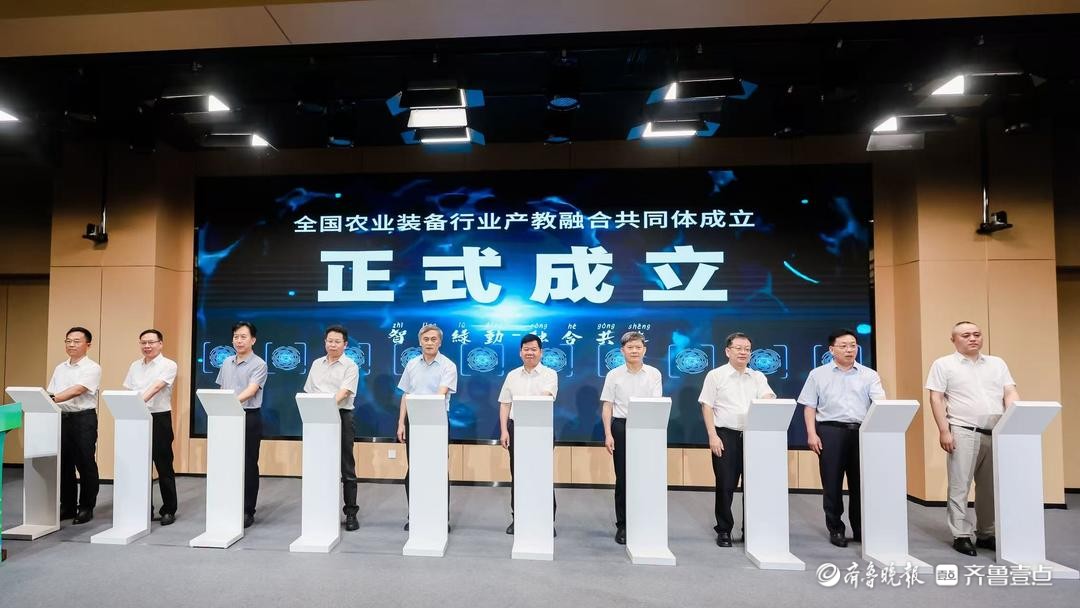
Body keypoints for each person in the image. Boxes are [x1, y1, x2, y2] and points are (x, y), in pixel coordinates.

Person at [926, 321, 1019, 556]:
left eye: (977, 334)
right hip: (963, 430)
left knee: (989, 488)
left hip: (996, 431)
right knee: (960, 485)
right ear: (954, 340)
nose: (973, 338)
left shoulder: (997, 363)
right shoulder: (943, 364)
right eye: (966, 335)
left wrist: (1015, 414)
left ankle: (987, 533)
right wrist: (944, 430)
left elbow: (1009, 391)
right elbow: (936, 398)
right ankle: (961, 535)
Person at [798, 329, 885, 548]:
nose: (849, 350)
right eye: (844, 346)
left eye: (853, 345)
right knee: (832, 483)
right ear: (832, 349)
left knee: (861, 484)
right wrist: (811, 433)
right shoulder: (818, 374)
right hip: (830, 431)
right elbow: (809, 406)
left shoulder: (869, 375)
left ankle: (861, 528)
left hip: (861, 432)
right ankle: (836, 528)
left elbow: (880, 403)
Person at [698, 332, 775, 547]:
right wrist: (712, 435)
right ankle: (724, 530)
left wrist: (767, 399)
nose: (743, 352)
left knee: (754, 485)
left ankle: (751, 530)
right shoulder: (716, 375)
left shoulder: (757, 376)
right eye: (739, 348)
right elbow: (707, 406)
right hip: (725, 435)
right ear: (728, 351)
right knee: (725, 485)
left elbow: (768, 396)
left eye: (747, 349)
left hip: (753, 436)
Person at [600, 331, 663, 545]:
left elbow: (656, 405)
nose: (634, 351)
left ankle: (645, 522)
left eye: (638, 347)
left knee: (646, 476)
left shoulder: (654, 374)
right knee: (623, 478)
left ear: (644, 349)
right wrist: (608, 434)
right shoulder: (614, 375)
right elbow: (607, 406)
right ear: (622, 351)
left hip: (646, 428)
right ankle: (623, 525)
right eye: (630, 347)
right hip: (621, 427)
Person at [396, 324, 457, 531]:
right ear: (420, 341)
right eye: (426, 339)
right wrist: (401, 423)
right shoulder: (412, 364)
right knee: (414, 469)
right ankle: (415, 515)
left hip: (437, 421)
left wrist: (425, 410)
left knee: (437, 470)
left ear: (440, 342)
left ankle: (441, 518)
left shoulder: (448, 365)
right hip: (413, 421)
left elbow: (441, 394)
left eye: (433, 339)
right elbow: (406, 394)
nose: (429, 343)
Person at [498, 333, 558, 535]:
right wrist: (504, 430)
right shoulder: (512, 375)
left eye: (534, 349)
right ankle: (518, 518)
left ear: (541, 352)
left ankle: (547, 521)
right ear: (520, 352)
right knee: (518, 475)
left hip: (541, 429)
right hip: (516, 429)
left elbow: (545, 397)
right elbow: (505, 404)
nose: (530, 352)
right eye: (526, 349)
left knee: (542, 474)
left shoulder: (550, 374)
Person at [303, 325, 361, 531]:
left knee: (347, 467)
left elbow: (344, 393)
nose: (333, 345)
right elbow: (309, 391)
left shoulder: (350, 366)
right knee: (319, 465)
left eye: (337, 341)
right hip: (317, 418)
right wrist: (316, 410)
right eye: (330, 341)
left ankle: (351, 513)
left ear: (345, 344)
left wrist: (324, 408)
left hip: (342, 416)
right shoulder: (316, 364)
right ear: (325, 342)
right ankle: (321, 511)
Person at [122, 329, 179, 526]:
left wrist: (136, 404)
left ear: (160, 344)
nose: (147, 346)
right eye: (143, 342)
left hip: (159, 418)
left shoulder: (169, 365)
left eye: (151, 342)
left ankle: (169, 509)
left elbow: (156, 387)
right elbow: (128, 390)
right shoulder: (134, 366)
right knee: (139, 466)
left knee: (163, 466)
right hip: (137, 418)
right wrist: (130, 408)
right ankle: (143, 508)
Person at [214, 321, 268, 529]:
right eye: (236, 337)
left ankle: (247, 510)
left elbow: (252, 390)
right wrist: (221, 407)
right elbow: (221, 388)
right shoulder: (227, 362)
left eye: (243, 337)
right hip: (226, 416)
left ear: (253, 340)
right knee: (227, 462)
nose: (239, 340)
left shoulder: (259, 364)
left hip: (249, 416)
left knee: (248, 464)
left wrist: (229, 403)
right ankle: (229, 506)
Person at [48, 326, 102, 525]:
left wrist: (51, 398)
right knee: (64, 464)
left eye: (76, 341)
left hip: (83, 419)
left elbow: (78, 390)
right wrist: (49, 399)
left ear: (88, 344)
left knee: (85, 463)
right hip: (61, 418)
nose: (71, 344)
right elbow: (51, 391)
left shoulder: (92, 368)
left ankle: (86, 507)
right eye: (68, 341)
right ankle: (68, 506)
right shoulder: (60, 368)